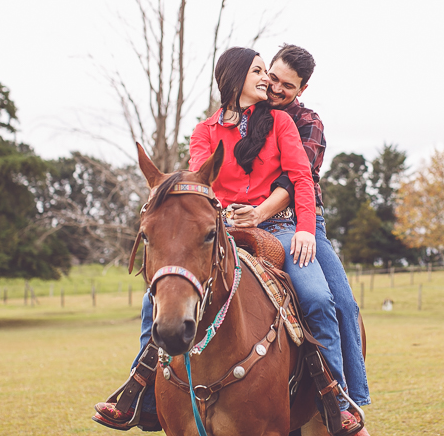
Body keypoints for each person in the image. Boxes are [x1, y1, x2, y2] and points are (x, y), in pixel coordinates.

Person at [94, 47, 367, 436]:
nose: (267, 81)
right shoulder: (205, 131)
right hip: (225, 229)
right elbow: (203, 181)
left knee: (320, 298)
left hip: (280, 228)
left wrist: (306, 228)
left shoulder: (282, 124)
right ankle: (140, 392)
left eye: (270, 76)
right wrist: (219, 212)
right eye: (259, 72)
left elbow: (300, 178)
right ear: (236, 78)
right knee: (153, 298)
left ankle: (335, 399)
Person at [231, 44, 370, 412]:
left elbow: (293, 181)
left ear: (302, 90)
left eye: (287, 86)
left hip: (302, 222)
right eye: (271, 78)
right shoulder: (249, 114)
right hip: (247, 219)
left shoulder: (307, 122)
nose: (276, 89)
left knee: (339, 302)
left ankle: (347, 399)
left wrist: (258, 214)